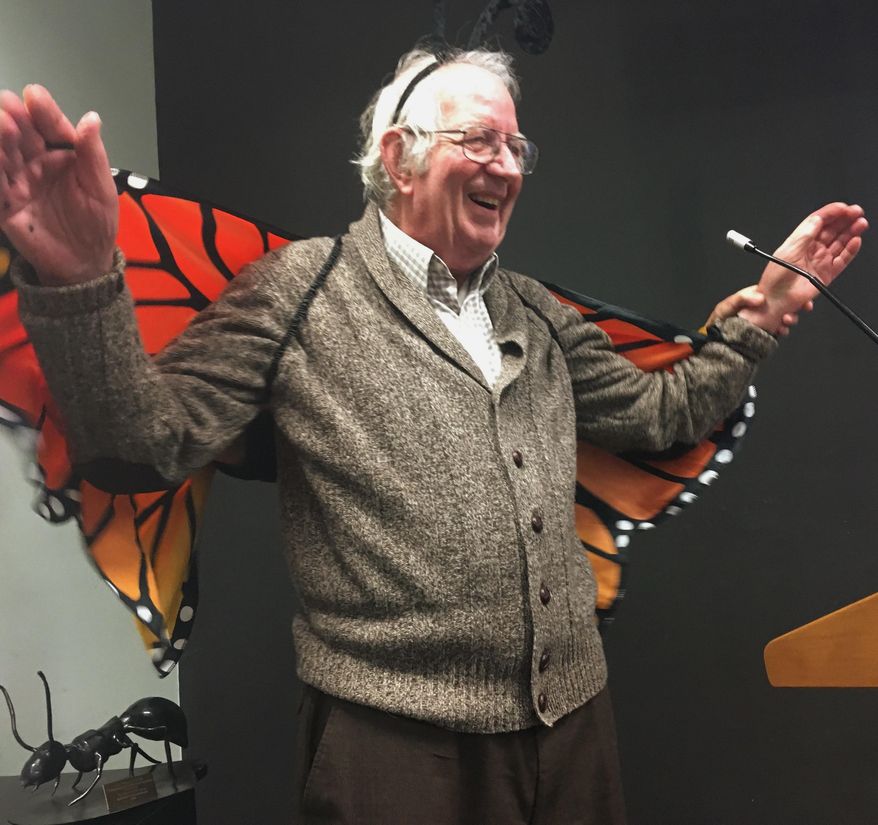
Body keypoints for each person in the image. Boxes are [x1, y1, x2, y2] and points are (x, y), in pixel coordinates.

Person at [0, 47, 867, 825]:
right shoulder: (298, 291)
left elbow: (662, 415)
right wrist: (80, 284)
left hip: (573, 729)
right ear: (398, 156)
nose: (507, 166)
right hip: (395, 749)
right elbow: (143, 446)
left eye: (516, 148)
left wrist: (762, 316)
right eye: (480, 141)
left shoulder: (532, 309)